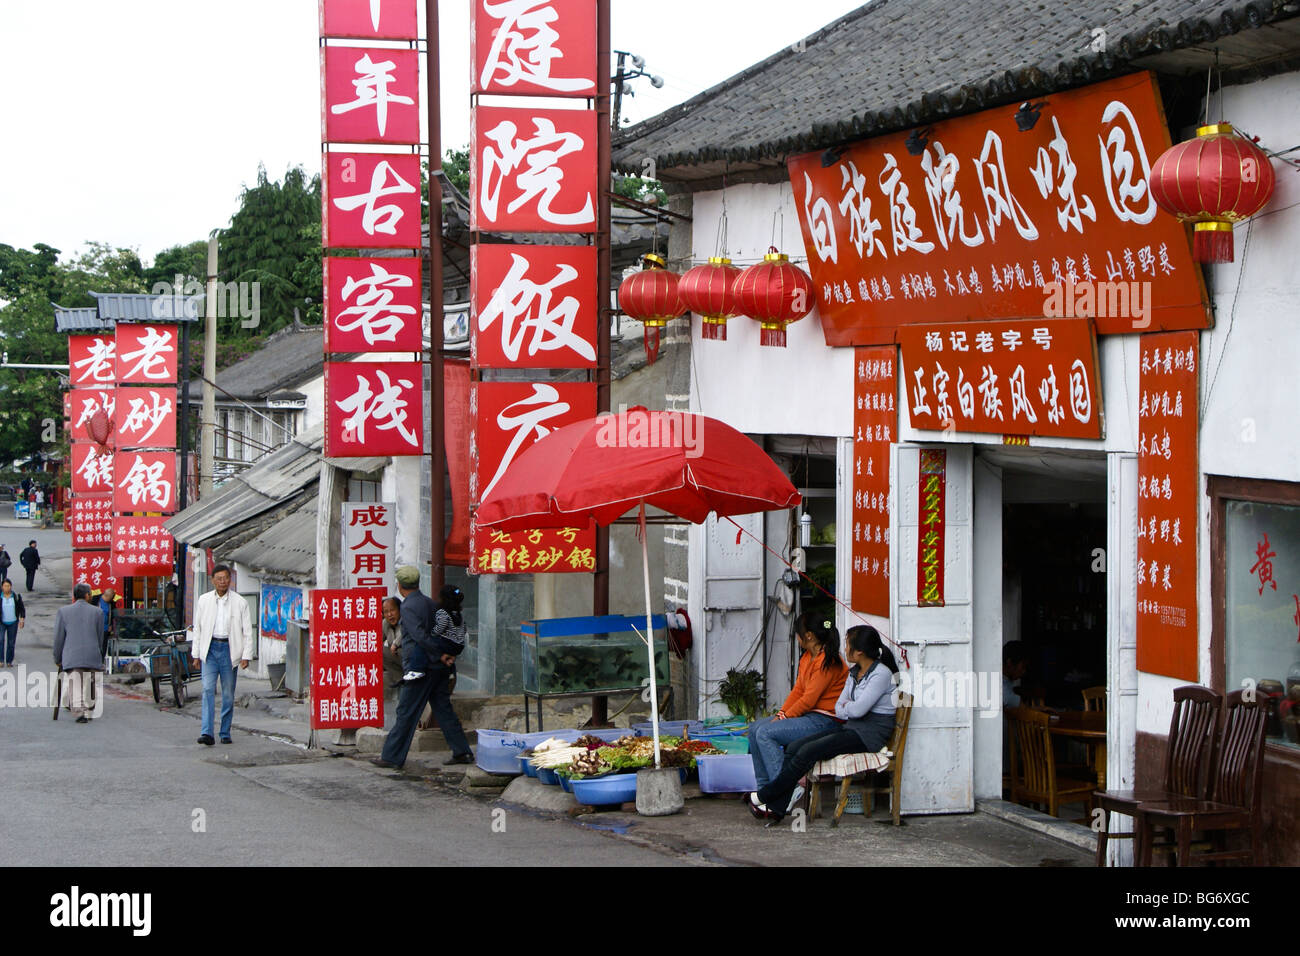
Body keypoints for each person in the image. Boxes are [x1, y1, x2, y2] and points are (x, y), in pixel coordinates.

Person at [749, 625, 898, 823]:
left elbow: (858, 710)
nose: (844, 649)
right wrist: (849, 707)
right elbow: (840, 707)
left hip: (868, 736)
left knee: (808, 752)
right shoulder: (855, 672)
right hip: (851, 728)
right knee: (794, 747)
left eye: (847, 645)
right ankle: (777, 808)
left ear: (859, 651)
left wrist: (848, 707)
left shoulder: (881, 674)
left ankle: (766, 795)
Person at [373, 569, 473, 770]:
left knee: (406, 711)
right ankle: (462, 751)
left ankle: (392, 756)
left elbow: (419, 636)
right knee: (443, 710)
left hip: (421, 667)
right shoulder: (429, 603)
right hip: (439, 669)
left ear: (400, 586)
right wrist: (447, 654)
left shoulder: (408, 606)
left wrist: (438, 654)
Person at [747, 614, 848, 791]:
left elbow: (808, 700)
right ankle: (764, 789)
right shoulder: (807, 657)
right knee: (754, 728)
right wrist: (781, 714)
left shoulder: (829, 661)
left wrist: (784, 716)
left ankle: (784, 791)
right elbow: (798, 691)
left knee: (765, 733)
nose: (797, 637)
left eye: (798, 633)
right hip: (810, 717)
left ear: (808, 635)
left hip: (826, 722)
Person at [188, 564, 253, 746]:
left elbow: (247, 631)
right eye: (219, 579)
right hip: (209, 650)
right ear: (213, 580)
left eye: (225, 578)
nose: (222, 582)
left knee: (227, 694)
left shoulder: (240, 602)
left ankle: (225, 731)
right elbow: (198, 629)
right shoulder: (204, 600)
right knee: (208, 689)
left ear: (230, 580)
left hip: (229, 650)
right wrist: (196, 654)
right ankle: (207, 732)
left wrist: (246, 655)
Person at [53, 584, 104, 723]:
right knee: (90, 683)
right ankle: (88, 710)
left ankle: (79, 712)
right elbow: (100, 637)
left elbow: (59, 637)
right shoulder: (97, 612)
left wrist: (57, 657)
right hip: (92, 653)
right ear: (87, 595)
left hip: (72, 654)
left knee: (75, 683)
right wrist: (99, 654)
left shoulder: (63, 611)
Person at [381, 596, 404, 699]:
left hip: (411, 657)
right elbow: (377, 640)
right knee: (379, 651)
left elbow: (404, 633)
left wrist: (395, 644)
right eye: (386, 612)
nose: (389, 614)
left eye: (392, 610)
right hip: (398, 657)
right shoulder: (385, 623)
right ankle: (400, 679)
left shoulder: (406, 620)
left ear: (399, 609)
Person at [0, 579, 25, 666]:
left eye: (8, 586)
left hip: (13, 622)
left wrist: (22, 619)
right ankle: (1, 660)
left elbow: (22, 608)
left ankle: (9, 661)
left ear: (11, 586)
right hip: (2, 622)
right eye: (5, 586)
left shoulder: (16, 597)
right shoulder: (0, 597)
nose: (7, 588)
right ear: (2, 587)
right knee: (1, 640)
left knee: (11, 642)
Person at [1003, 641, 1029, 708]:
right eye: (1023, 667)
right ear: (1009, 663)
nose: (1024, 671)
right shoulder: (1002, 690)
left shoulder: (1007, 682)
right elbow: (1024, 710)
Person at [98, 586, 119, 658]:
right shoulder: (96, 599)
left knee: (103, 647)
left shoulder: (111, 604)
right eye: (112, 597)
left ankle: (101, 661)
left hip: (105, 629)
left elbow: (113, 615)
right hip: (95, 628)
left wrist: (111, 626)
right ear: (107, 596)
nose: (113, 599)